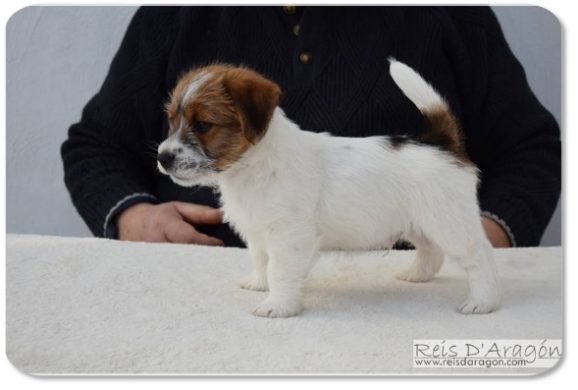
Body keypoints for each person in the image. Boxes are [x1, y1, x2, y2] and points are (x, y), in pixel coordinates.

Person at [61, 6, 561, 248]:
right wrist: (133, 217)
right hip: (213, 276)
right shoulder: (176, 14)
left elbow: (530, 148)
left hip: (397, 293)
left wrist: (484, 235)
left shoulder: (445, 13)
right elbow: (96, 145)